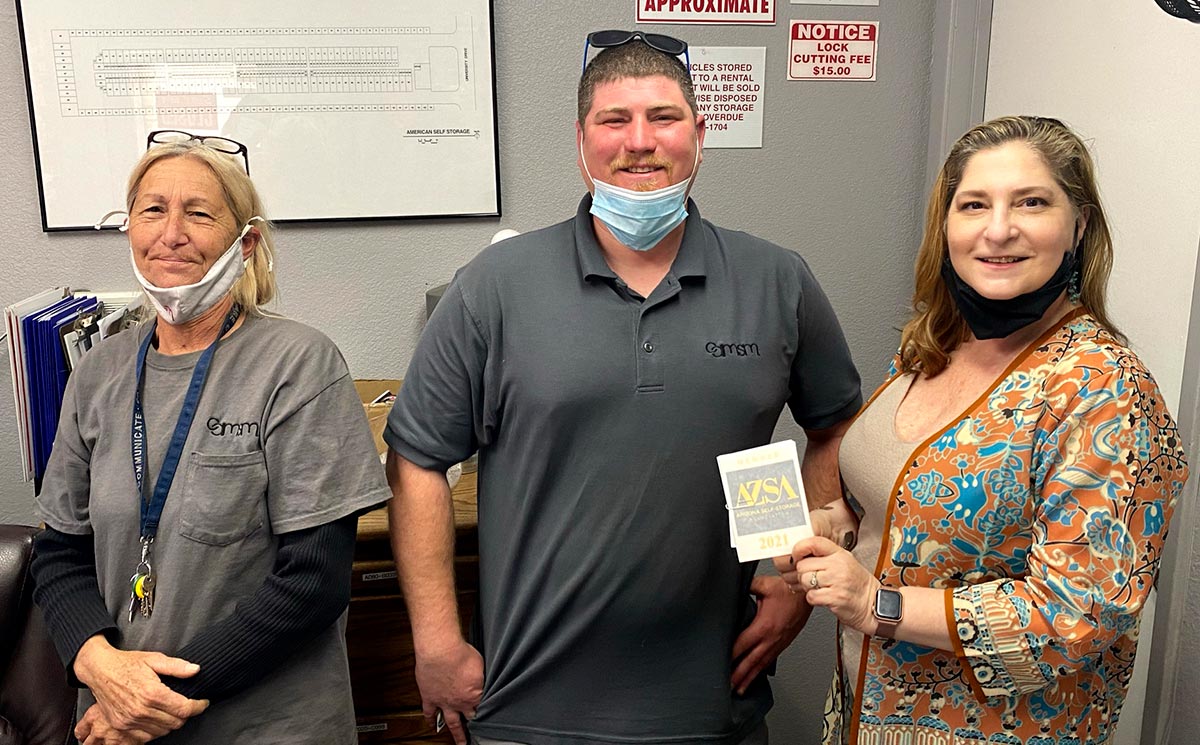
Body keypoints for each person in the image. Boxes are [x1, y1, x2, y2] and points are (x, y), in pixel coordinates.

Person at [385, 30, 862, 745]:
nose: (640, 141)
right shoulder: (494, 287)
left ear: (699, 135)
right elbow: (418, 459)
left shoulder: (776, 281)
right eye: (615, 120)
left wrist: (798, 582)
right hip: (528, 704)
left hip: (713, 706)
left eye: (663, 118)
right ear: (581, 141)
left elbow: (834, 428)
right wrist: (436, 642)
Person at [775, 115, 1188, 744]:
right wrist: (841, 528)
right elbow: (915, 508)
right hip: (864, 713)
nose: (998, 229)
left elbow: (1080, 612)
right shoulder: (931, 348)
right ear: (946, 228)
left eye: (1031, 202)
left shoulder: (1103, 387)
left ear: (1078, 226)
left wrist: (874, 604)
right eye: (974, 205)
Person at [31, 131, 391, 744]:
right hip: (113, 719)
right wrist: (100, 667)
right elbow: (60, 551)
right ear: (130, 230)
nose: (171, 234)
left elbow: (312, 581)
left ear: (245, 243)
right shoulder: (98, 372)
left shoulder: (299, 363)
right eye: (152, 210)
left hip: (261, 727)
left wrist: (149, 702)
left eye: (199, 213)